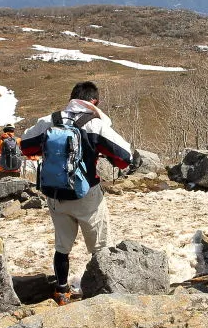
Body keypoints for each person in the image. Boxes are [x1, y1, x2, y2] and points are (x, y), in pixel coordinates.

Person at [20, 81, 136, 305]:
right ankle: (103, 291)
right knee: (101, 247)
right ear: (95, 102)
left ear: (72, 98)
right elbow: (124, 157)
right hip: (87, 196)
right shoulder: (95, 126)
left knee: (62, 247)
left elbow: (26, 147)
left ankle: (61, 291)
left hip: (55, 194)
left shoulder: (49, 121)